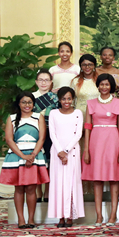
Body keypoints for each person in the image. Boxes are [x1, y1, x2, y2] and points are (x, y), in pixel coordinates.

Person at [82, 74, 119, 225]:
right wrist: (86, 149)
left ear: (111, 86)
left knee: (114, 178)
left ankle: (113, 215)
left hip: (113, 141)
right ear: (98, 86)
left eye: (107, 84)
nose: (104, 87)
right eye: (101, 84)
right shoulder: (91, 103)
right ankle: (99, 216)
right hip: (96, 142)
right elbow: (87, 127)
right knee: (97, 179)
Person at [0, 92, 49, 229]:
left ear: (33, 104)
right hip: (17, 156)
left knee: (31, 188)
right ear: (19, 104)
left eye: (29, 102)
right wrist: (23, 156)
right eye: (23, 102)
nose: (27, 105)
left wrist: (32, 155)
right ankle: (21, 219)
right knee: (19, 188)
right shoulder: (11, 118)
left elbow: (42, 138)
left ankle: (31, 219)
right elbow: (9, 140)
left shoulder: (38, 117)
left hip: (35, 155)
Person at [47, 87, 84, 228]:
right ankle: (60, 217)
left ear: (73, 99)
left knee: (71, 182)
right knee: (58, 183)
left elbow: (78, 134)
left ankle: (70, 216)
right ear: (59, 99)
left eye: (69, 98)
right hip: (57, 152)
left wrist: (66, 151)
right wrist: (60, 152)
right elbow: (52, 134)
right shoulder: (53, 113)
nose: (66, 101)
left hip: (72, 152)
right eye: (63, 99)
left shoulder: (78, 113)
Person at [32, 69, 58, 203]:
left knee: (49, 162)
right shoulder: (30, 97)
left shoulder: (55, 98)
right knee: (37, 162)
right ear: (36, 82)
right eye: (41, 80)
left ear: (51, 82)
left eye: (46, 80)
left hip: (50, 133)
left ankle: (47, 191)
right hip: (34, 132)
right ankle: (38, 191)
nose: (44, 83)